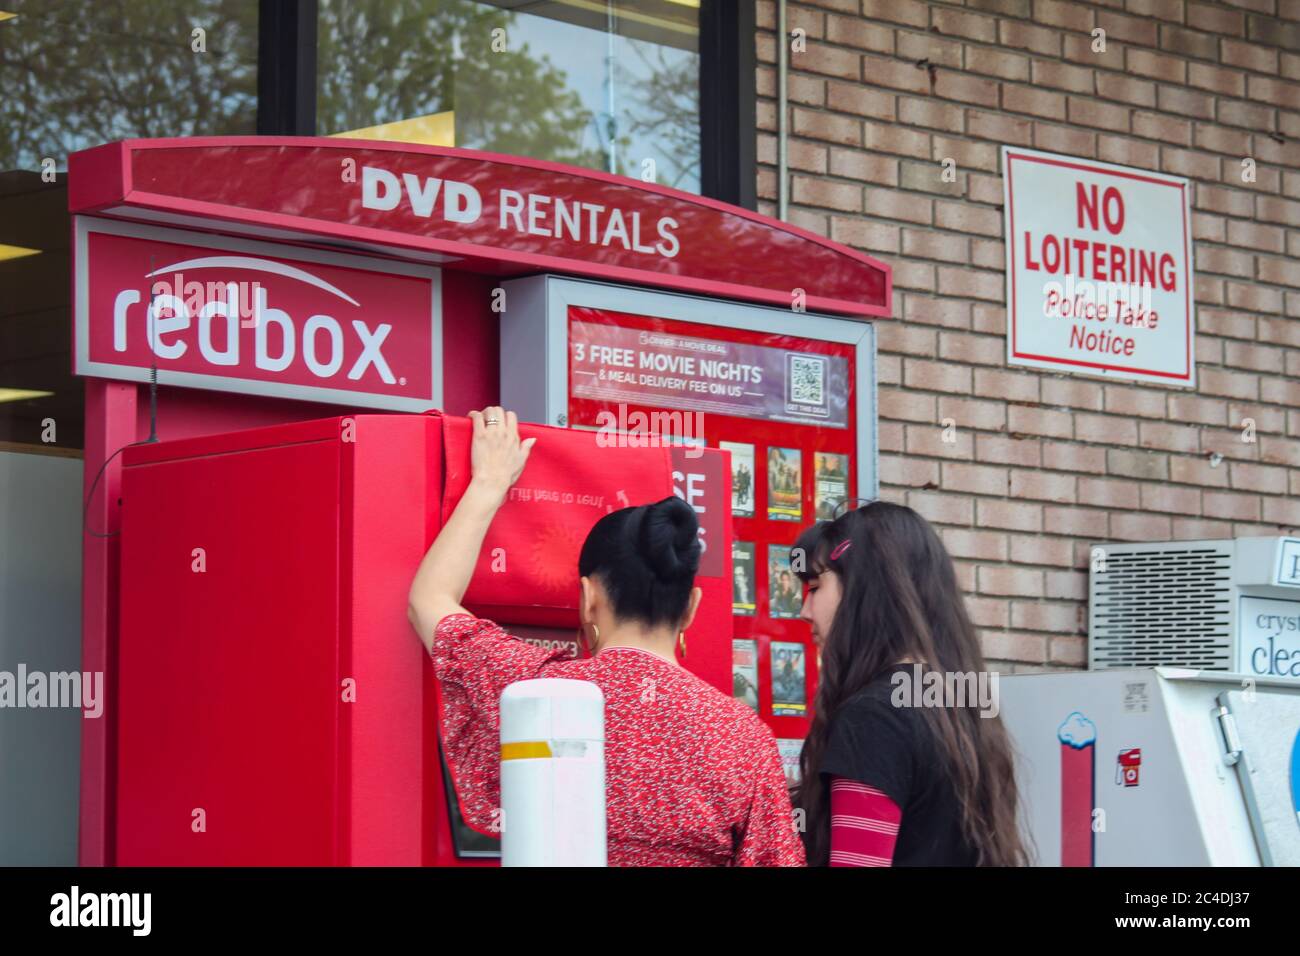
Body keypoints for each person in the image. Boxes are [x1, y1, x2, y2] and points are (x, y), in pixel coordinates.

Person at [407, 406, 804, 867]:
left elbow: (429, 599)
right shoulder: (742, 737)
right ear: (691, 607)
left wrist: (489, 482)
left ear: (588, 598)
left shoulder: (533, 689)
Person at [791, 501, 1029, 867]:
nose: (805, 612)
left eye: (815, 587)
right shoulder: (963, 699)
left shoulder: (873, 718)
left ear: (863, 591)